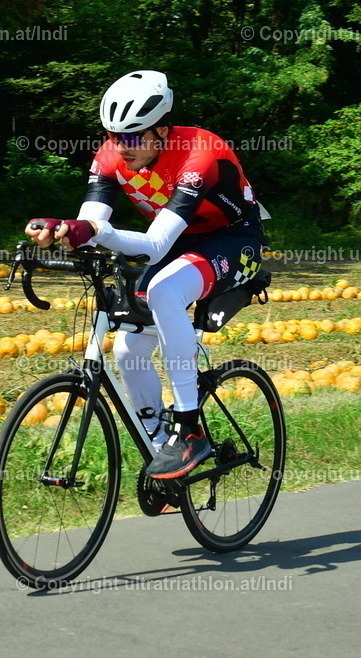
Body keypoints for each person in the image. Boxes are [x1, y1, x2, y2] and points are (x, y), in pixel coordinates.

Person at [24, 70, 267, 480]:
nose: (122, 146)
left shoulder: (198, 153)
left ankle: (189, 429)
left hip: (234, 239)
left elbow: (153, 244)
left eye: (133, 137)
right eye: (113, 136)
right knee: (127, 348)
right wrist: (64, 231)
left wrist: (94, 231)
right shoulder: (111, 156)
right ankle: (160, 447)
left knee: (165, 292)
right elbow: (92, 221)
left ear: (162, 131)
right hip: (179, 242)